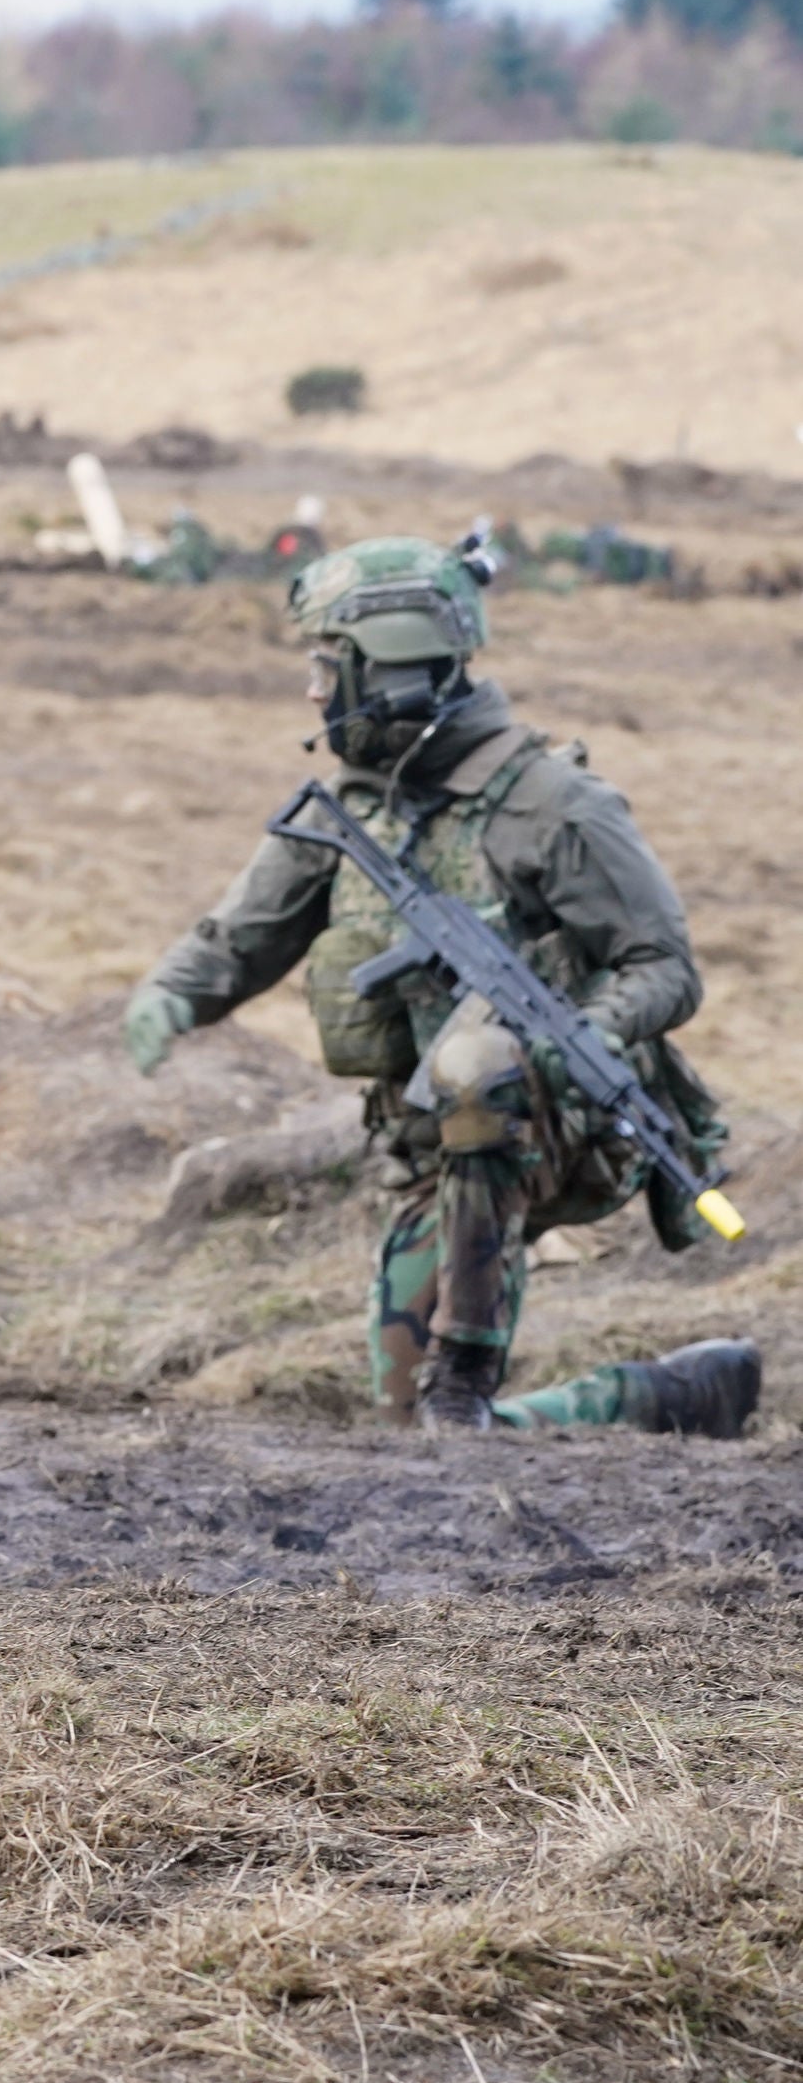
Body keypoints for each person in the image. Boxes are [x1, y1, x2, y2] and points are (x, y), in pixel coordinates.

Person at [126, 536, 758, 1435]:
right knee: (413, 1433)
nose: (313, 691)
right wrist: (171, 995)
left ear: (391, 672)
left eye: (328, 667)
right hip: (435, 1149)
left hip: (560, 1122)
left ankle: (463, 1374)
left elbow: (665, 966)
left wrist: (591, 1032)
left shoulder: (554, 803)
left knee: (480, 1063)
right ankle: (667, 1397)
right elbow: (243, 937)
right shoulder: (355, 807)